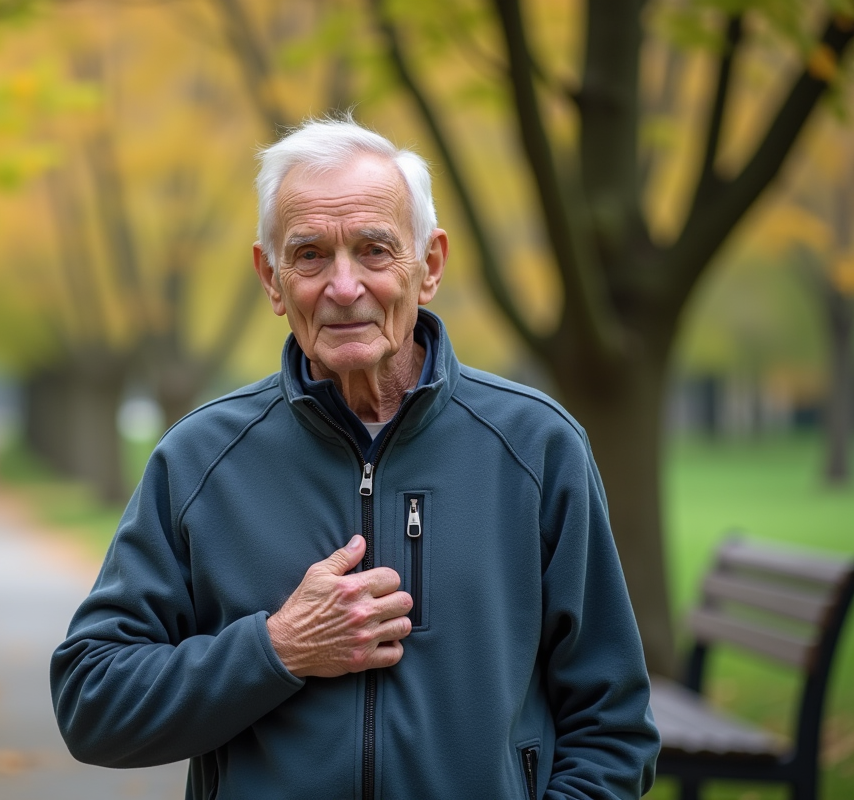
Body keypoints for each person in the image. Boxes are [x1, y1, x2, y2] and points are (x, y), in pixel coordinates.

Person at [50, 116, 660, 799]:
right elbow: (91, 701)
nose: (343, 287)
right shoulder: (199, 459)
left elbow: (612, 728)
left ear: (428, 265)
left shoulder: (538, 448)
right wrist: (277, 649)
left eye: (374, 249)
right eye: (310, 255)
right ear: (271, 277)